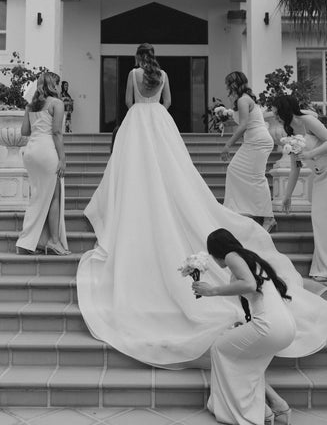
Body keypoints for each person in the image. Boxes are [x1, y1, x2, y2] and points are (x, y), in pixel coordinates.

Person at [77, 43, 327, 368]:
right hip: (160, 121)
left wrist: (140, 101)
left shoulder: (133, 74)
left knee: (132, 168)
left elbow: (127, 103)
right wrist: (155, 102)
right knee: (171, 170)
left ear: (138, 58)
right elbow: (167, 103)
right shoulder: (163, 74)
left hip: (137, 121)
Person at [192, 229, 295, 425]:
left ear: (216, 251)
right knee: (248, 365)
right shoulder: (249, 259)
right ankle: (277, 407)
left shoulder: (232, 256)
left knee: (219, 348)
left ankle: (254, 412)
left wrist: (212, 290)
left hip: (270, 326)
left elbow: (249, 285)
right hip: (284, 326)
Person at [272, 95, 327, 282]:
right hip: (319, 177)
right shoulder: (289, 133)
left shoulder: (307, 120)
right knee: (319, 221)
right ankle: (324, 268)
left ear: (285, 109)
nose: (274, 114)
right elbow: (295, 168)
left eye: (276, 110)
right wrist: (287, 196)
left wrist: (311, 153)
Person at [16, 72, 70, 256]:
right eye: (58, 83)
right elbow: (56, 133)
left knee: (38, 196)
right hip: (47, 151)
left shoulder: (31, 105)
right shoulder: (57, 104)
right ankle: (54, 242)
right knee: (55, 195)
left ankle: (29, 241)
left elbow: (25, 131)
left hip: (31, 152)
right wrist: (62, 159)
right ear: (53, 85)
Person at [222, 72, 276, 232]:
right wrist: (226, 121)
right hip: (253, 141)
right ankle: (243, 210)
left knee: (257, 177)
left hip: (258, 141)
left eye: (228, 84)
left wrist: (228, 145)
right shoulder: (243, 99)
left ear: (233, 84)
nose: (226, 87)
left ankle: (269, 217)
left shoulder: (243, 99)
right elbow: (246, 122)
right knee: (235, 170)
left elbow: (245, 124)